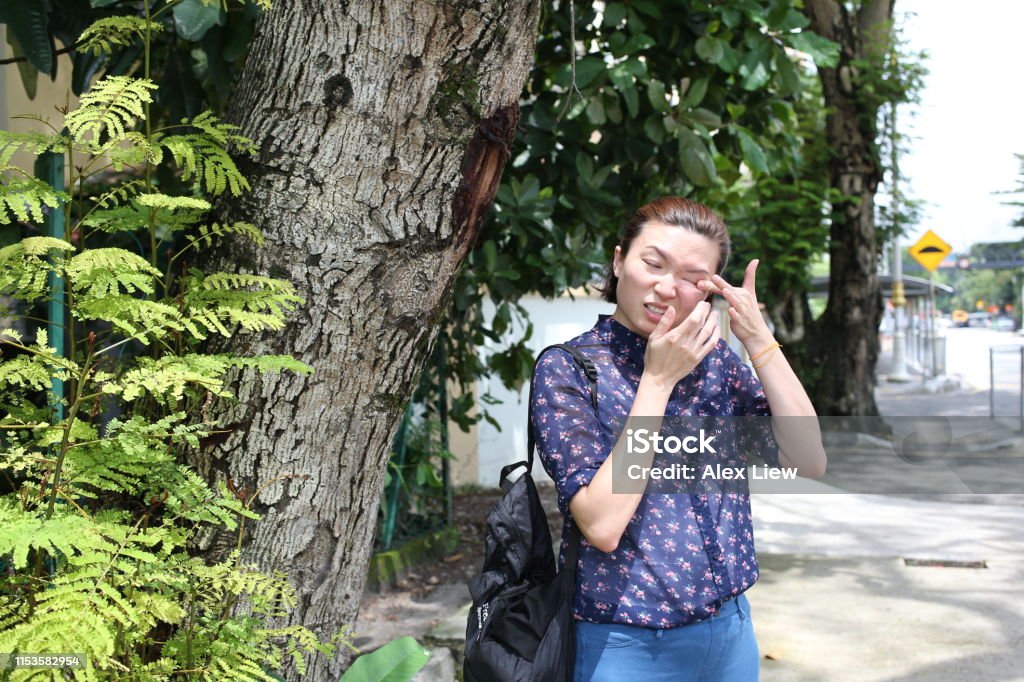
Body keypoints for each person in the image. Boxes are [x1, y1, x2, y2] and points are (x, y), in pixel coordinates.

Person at [530, 196, 826, 682]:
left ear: (710, 291)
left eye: (692, 278)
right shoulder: (570, 370)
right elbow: (601, 525)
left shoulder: (715, 363)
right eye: (652, 263)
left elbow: (808, 457)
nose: (666, 288)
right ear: (619, 258)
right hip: (623, 643)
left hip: (728, 632)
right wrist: (658, 382)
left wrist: (757, 339)